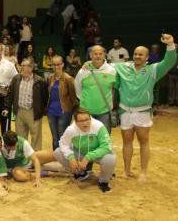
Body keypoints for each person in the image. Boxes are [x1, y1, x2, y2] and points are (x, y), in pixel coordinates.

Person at [114, 34, 176, 182]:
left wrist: (170, 45)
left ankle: (143, 172)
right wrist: (88, 64)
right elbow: (103, 65)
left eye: (141, 54)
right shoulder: (122, 67)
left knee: (143, 141)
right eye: (135, 54)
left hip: (142, 112)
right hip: (125, 111)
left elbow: (169, 62)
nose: (137, 56)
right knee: (127, 141)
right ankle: (127, 171)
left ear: (147, 57)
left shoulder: (153, 70)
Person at [53, 108, 116, 193]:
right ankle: (80, 173)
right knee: (57, 152)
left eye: (87, 119)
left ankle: (103, 182)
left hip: (97, 154)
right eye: (81, 121)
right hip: (80, 153)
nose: (85, 123)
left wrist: (88, 157)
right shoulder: (71, 129)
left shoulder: (99, 126)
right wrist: (71, 157)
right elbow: (63, 144)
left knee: (110, 158)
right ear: (75, 121)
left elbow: (106, 146)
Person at [3, 58, 47, 151]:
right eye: (21, 65)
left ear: (31, 68)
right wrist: (7, 107)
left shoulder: (39, 81)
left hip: (33, 112)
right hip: (19, 112)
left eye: (24, 66)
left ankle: (36, 158)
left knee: (36, 138)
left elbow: (45, 97)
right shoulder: (16, 78)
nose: (21, 68)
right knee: (20, 137)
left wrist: (41, 111)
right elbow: (10, 94)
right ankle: (22, 157)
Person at [75, 45, 116, 133]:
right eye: (95, 54)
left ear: (104, 55)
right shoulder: (83, 71)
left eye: (100, 54)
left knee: (104, 138)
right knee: (87, 138)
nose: (98, 56)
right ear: (90, 55)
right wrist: (85, 100)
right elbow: (77, 87)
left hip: (104, 112)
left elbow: (114, 87)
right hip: (86, 112)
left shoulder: (112, 70)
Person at [47, 56, 78, 150]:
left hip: (64, 112)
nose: (56, 67)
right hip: (51, 112)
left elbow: (74, 97)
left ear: (63, 64)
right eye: (54, 65)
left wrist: (72, 111)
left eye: (58, 64)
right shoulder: (50, 78)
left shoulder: (69, 79)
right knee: (55, 138)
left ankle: (65, 158)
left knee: (62, 137)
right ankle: (56, 158)